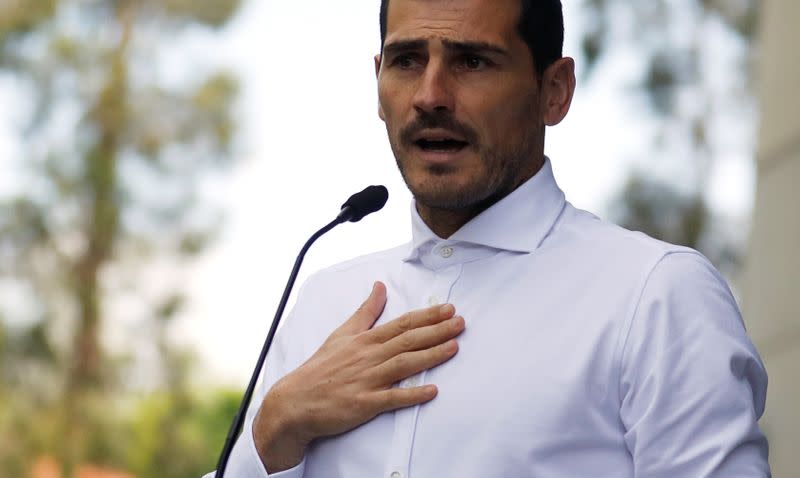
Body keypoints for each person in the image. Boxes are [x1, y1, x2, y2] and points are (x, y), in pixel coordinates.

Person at [206, 0, 770, 476]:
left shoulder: (654, 294)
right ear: (377, 85)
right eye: (406, 61)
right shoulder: (324, 301)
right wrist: (270, 431)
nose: (430, 95)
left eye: (471, 61)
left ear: (555, 90)